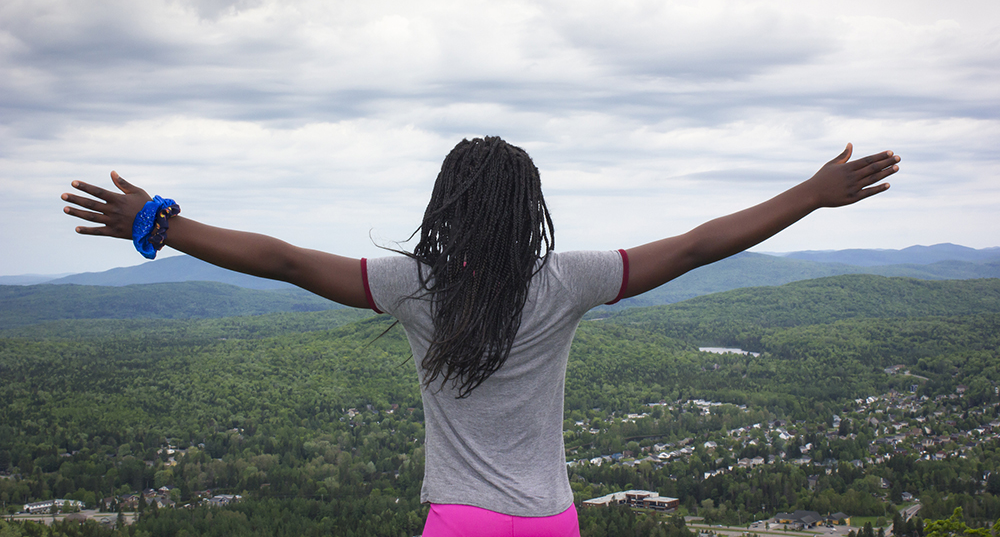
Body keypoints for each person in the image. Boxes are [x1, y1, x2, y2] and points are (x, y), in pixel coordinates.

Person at [62, 137, 899, 537]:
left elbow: (281, 259)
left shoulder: (411, 286)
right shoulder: (565, 279)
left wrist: (163, 225)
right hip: (549, 519)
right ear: (526, 207)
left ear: (445, 205)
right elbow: (695, 244)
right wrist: (810, 192)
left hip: (459, 520)